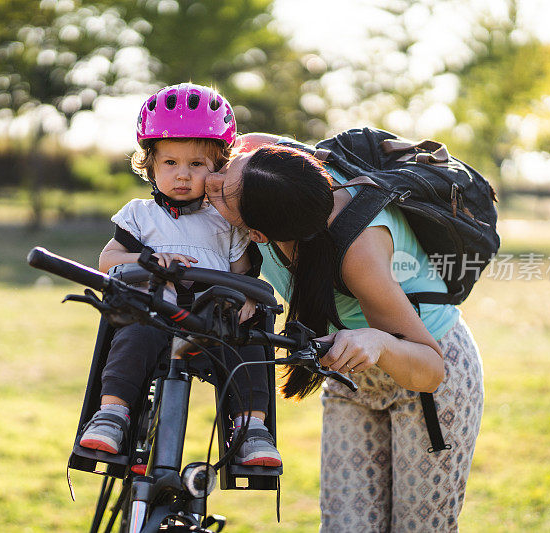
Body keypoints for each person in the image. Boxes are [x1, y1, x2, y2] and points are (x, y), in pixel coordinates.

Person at [204, 135, 484, 531]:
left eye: (221, 194)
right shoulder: (258, 165)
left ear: (259, 235)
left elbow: (431, 367)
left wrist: (378, 341)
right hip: (350, 370)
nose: (211, 182)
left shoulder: (360, 253)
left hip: (427, 374)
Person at [78, 84, 281, 467]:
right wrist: (148, 257)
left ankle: (252, 429)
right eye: (170, 163)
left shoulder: (227, 222)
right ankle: (112, 415)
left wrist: (251, 299)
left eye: (197, 165)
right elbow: (108, 260)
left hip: (213, 326)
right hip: (155, 313)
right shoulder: (140, 215)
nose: (182, 175)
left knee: (249, 346)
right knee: (132, 337)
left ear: (218, 168)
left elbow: (244, 275)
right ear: (150, 165)